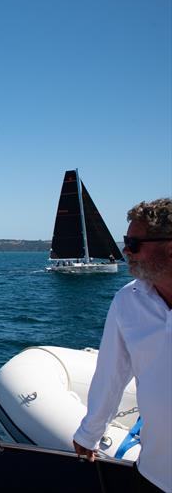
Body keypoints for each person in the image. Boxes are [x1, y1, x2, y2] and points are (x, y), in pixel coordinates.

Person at [73, 198, 171, 493]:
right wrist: (89, 434)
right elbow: (111, 373)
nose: (125, 250)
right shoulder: (128, 301)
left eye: (134, 242)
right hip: (155, 473)